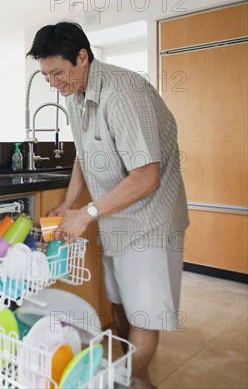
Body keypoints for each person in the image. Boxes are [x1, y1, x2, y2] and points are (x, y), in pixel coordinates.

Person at [27, 22, 189, 387]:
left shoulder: (122, 93)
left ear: (82, 58)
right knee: (120, 303)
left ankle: (137, 379)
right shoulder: (75, 95)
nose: (53, 83)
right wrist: (69, 202)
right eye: (46, 75)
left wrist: (87, 213)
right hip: (116, 218)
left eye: (57, 72)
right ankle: (129, 374)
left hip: (149, 221)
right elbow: (86, 154)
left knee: (144, 314)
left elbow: (147, 177)